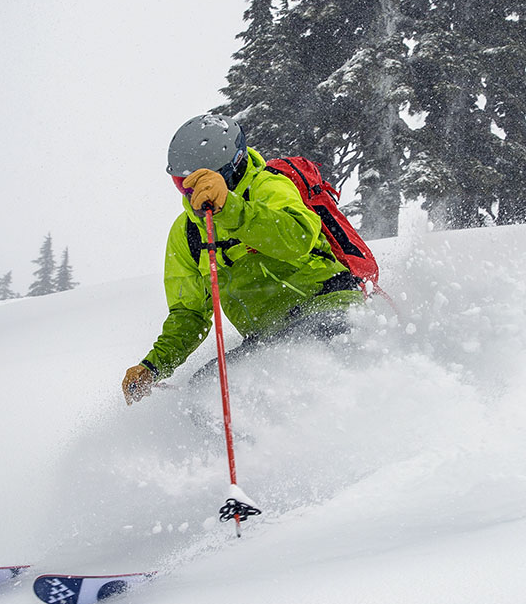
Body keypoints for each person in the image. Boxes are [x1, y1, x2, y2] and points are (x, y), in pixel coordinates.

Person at [122, 114, 366, 405]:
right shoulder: (187, 232)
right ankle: (268, 448)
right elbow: (189, 314)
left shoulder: (267, 186)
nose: (191, 193)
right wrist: (153, 366)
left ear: (228, 169)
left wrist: (230, 208)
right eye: (182, 184)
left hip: (326, 304)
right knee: (203, 395)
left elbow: (298, 238)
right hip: (270, 337)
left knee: (310, 363)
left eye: (199, 181)